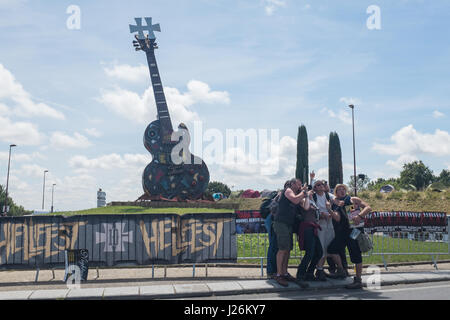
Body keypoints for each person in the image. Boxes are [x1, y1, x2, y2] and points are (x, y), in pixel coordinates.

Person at [327, 184, 372, 289]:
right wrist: (329, 210)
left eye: (343, 189)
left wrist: (359, 216)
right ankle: (341, 271)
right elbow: (337, 218)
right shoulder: (336, 204)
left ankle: (358, 280)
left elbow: (368, 207)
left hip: (355, 231)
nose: (342, 191)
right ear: (336, 193)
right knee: (332, 249)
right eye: (339, 190)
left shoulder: (352, 199)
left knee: (355, 253)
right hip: (343, 232)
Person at [273, 178, 309, 287]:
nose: (300, 186)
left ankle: (284, 272)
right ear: (293, 184)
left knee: (287, 249)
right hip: (281, 223)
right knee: (282, 249)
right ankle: (279, 274)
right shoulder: (288, 191)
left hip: (288, 224)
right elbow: (295, 200)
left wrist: (306, 195)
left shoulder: (297, 194)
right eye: (298, 184)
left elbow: (306, 207)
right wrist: (303, 192)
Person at [310, 180, 338, 281]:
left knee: (328, 246)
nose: (321, 186)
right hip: (320, 223)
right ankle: (319, 270)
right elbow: (313, 209)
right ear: (315, 188)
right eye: (318, 185)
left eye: (322, 184)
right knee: (321, 247)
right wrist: (322, 215)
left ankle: (320, 269)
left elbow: (335, 199)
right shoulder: (313, 196)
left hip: (329, 222)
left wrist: (338, 202)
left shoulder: (327, 195)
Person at [296, 189, 323, 281]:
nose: (312, 193)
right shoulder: (303, 200)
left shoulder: (312, 201)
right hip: (307, 228)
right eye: (311, 192)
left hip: (313, 228)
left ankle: (310, 272)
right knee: (310, 253)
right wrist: (306, 195)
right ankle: (300, 273)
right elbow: (306, 208)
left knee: (319, 252)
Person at [264, 191, 280, 279]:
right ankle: (271, 271)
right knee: (273, 247)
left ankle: (274, 270)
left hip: (270, 220)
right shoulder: (279, 195)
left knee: (274, 247)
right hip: (272, 220)